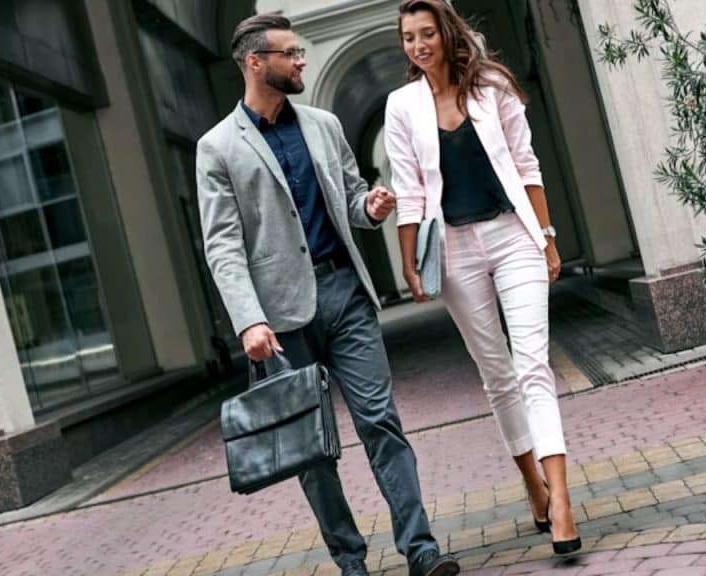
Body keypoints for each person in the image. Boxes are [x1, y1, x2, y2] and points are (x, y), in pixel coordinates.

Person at [196, 13, 461, 576]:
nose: (300, 62)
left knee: (381, 422)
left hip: (344, 293)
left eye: (300, 53)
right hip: (279, 320)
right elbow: (223, 246)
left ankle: (421, 549)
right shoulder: (216, 148)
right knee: (311, 449)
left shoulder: (322, 124)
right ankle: (350, 562)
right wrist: (248, 321)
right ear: (255, 62)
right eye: (290, 54)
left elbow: (351, 196)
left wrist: (370, 208)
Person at [383, 0, 581, 556]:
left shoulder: (491, 86)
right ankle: (531, 482)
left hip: (512, 235)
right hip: (453, 251)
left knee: (533, 364)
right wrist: (409, 263)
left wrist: (546, 237)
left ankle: (561, 500)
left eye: (426, 34)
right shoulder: (401, 106)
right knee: (496, 373)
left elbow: (527, 164)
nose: (418, 45)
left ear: (446, 34)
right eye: (407, 37)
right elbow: (410, 192)